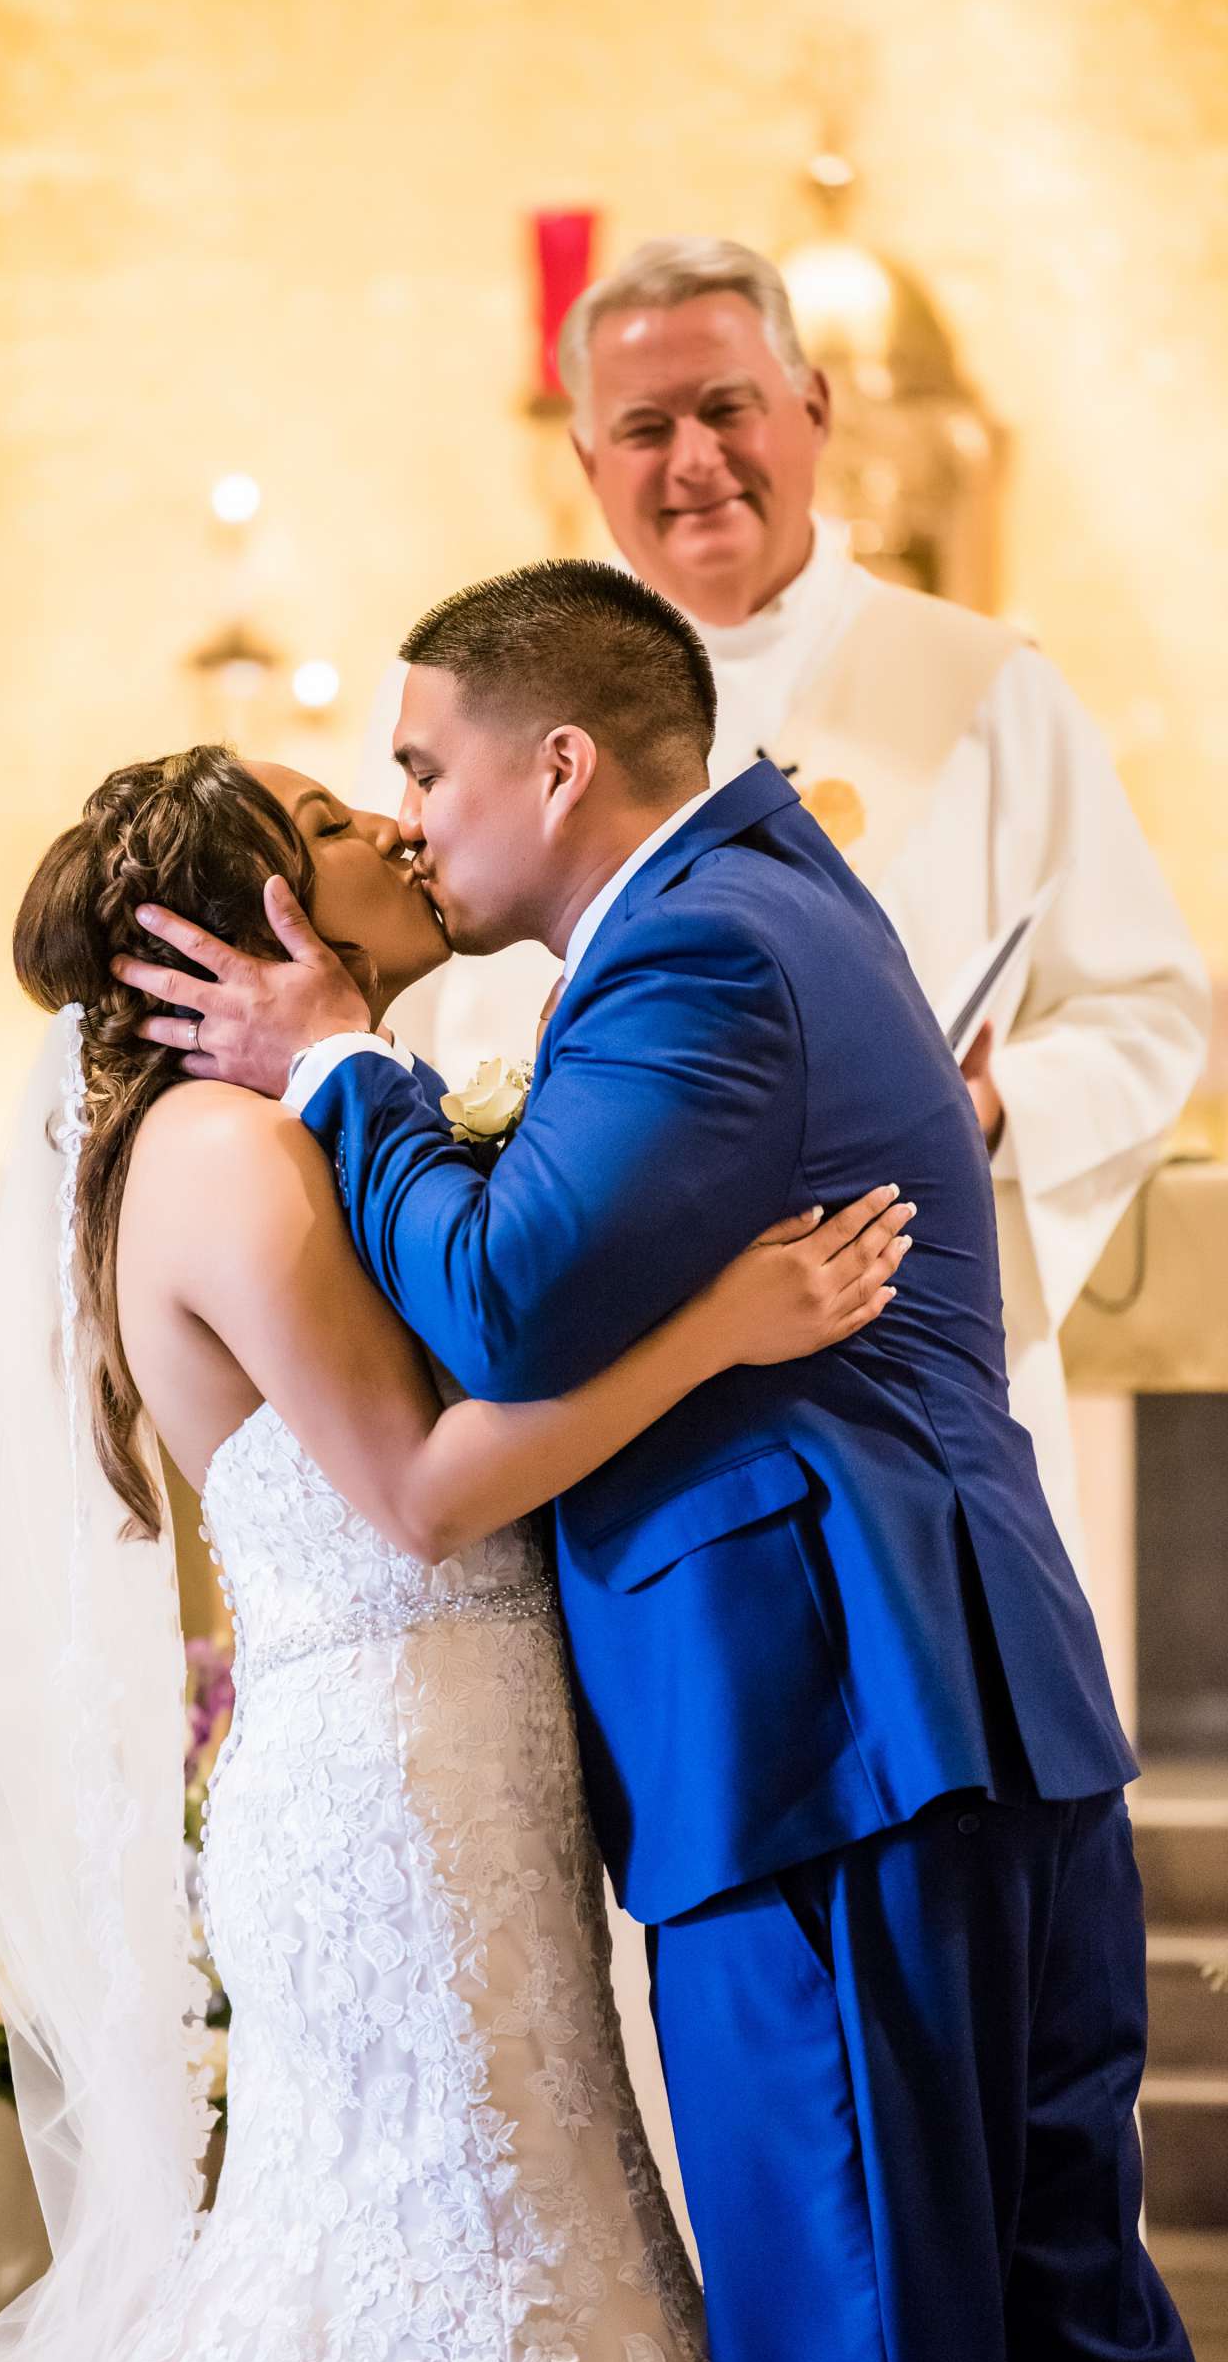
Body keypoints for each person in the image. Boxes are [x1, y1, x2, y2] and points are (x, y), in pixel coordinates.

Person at [119, 561, 1202, 2362]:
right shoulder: (768, 905)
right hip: (932, 1721)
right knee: (1057, 2314)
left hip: (830, 1736)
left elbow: (506, 1298)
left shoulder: (696, 945)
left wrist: (337, 1066)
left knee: (867, 2333)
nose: (403, 815)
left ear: (552, 769)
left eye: (419, 767)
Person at [0, 739, 910, 2362]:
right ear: (228, 925)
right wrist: (721, 1329)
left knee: (521, 2237)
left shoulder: (297, 1123)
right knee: (447, 2267)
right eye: (325, 824)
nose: (393, 827)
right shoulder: (223, 1156)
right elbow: (416, 1491)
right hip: (392, 1802)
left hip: (459, 1765)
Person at [353, 237, 1209, 1588]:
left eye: (726, 408)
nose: (693, 460)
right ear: (587, 462)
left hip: (893, 1350)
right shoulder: (494, 715)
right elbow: (428, 1000)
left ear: (811, 413)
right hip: (603, 1368)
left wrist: (989, 1107)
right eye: (644, 428)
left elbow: (1150, 1012)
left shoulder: (988, 692)